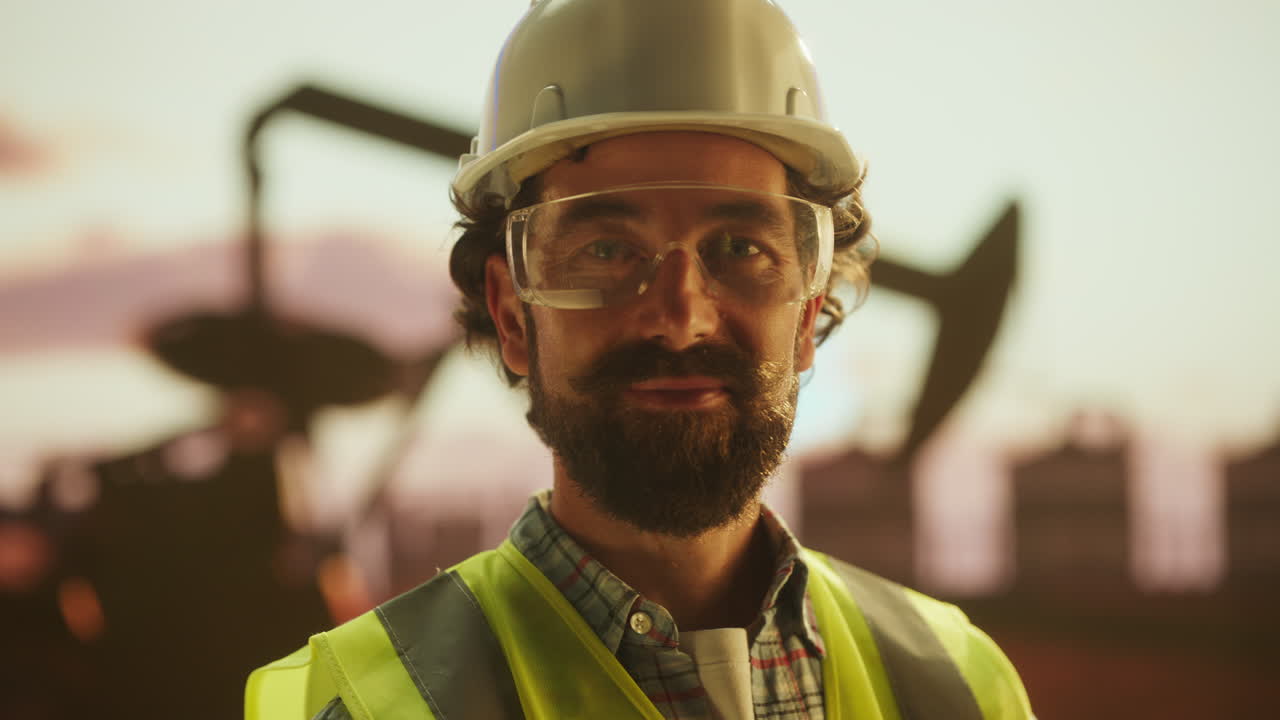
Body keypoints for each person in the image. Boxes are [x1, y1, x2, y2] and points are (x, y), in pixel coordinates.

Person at [246, 0, 1034, 718]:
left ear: (807, 313)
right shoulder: (355, 706)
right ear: (511, 314)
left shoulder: (961, 687)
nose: (681, 318)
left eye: (740, 247)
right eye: (606, 249)